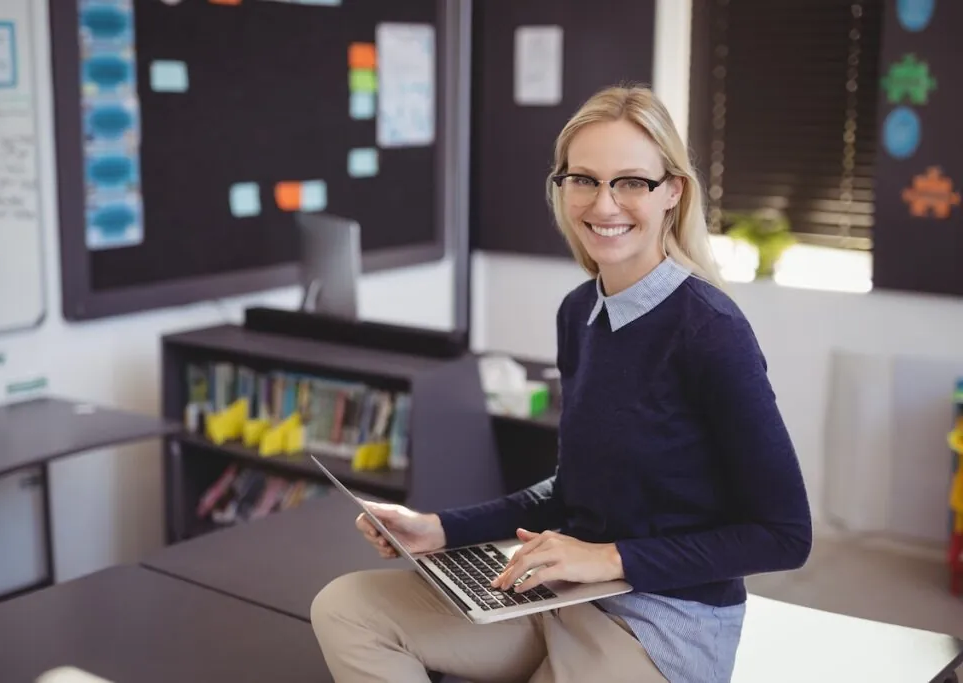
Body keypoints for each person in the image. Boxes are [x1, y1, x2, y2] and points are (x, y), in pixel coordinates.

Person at [310, 83, 812, 683]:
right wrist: (440, 527)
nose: (604, 205)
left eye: (631, 181)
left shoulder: (710, 330)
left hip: (659, 626)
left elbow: (783, 536)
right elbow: (571, 492)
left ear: (673, 192)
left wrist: (607, 558)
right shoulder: (580, 312)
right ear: (562, 187)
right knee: (346, 609)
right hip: (559, 594)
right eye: (584, 180)